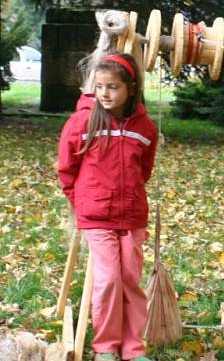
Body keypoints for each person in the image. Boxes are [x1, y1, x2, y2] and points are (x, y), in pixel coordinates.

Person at [58, 52, 157, 361]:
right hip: (96, 217)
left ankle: (133, 348)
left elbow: (144, 169)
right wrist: (84, 202)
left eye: (112, 87)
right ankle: (106, 347)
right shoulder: (82, 122)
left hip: (132, 216)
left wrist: (129, 197)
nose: (104, 93)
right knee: (109, 280)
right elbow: (66, 168)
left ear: (131, 87)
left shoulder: (145, 128)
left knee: (130, 279)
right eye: (100, 86)